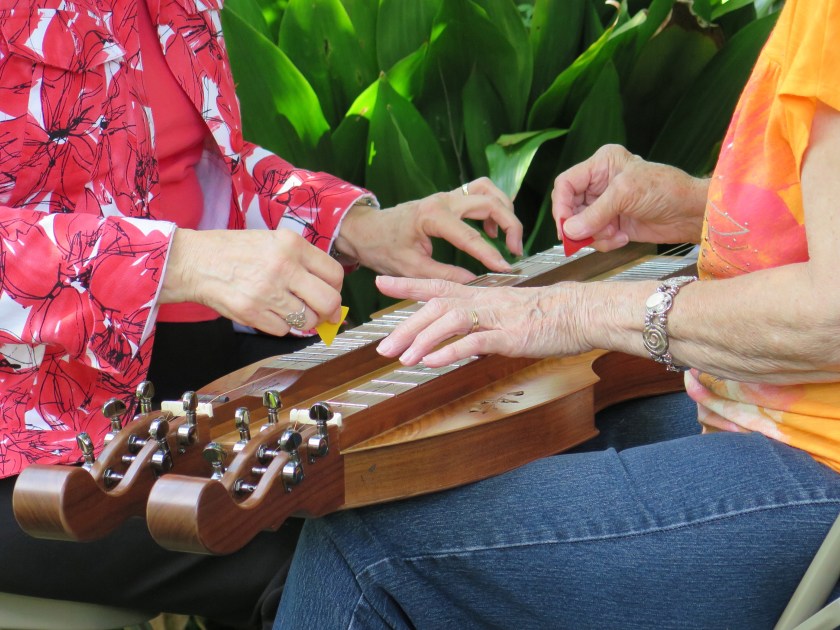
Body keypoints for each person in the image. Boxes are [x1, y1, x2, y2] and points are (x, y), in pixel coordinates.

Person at [274, 0, 840, 627]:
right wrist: (695, 204)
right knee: (540, 440)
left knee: (364, 545)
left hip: (821, 469)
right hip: (785, 426)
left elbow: (833, 315)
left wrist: (566, 310)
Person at [0, 0, 522, 627]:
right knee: (342, 552)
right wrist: (183, 263)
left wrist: (360, 226)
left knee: (422, 461)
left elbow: (198, 169)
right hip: (30, 439)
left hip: (181, 379)